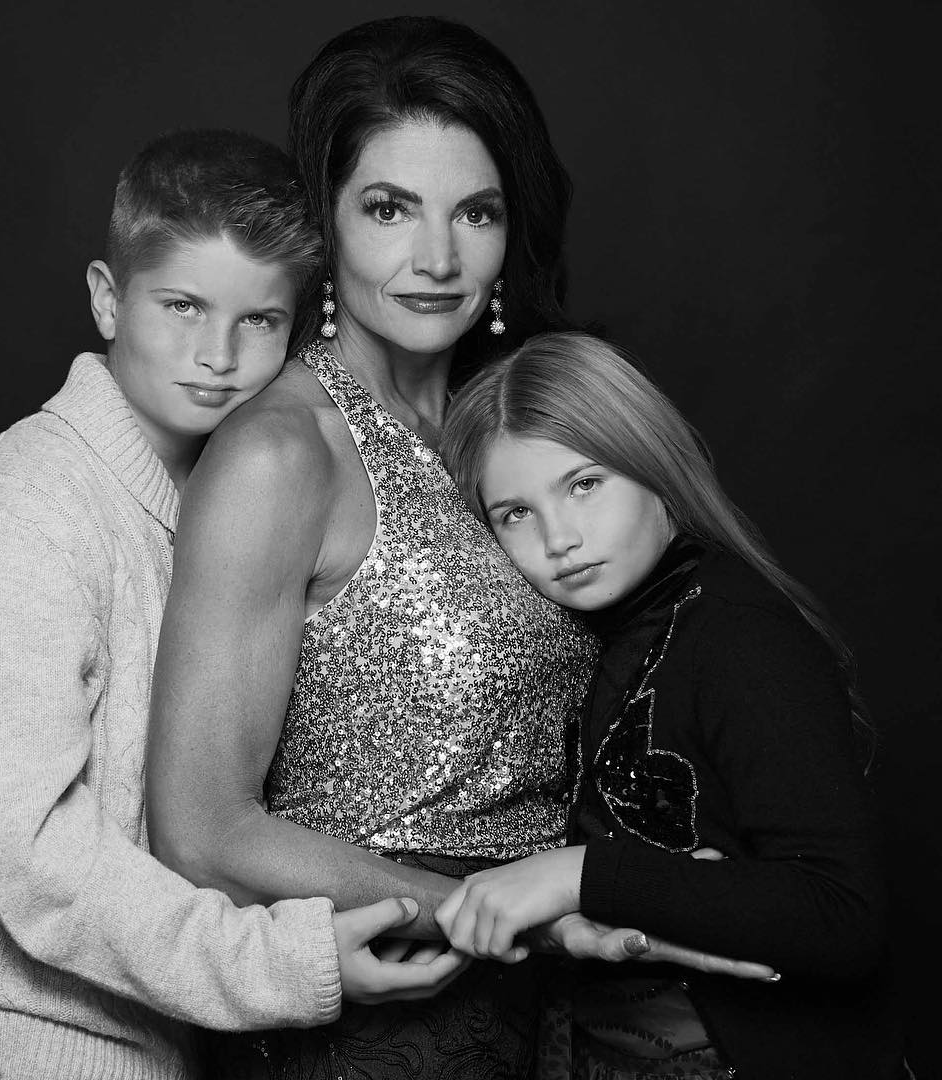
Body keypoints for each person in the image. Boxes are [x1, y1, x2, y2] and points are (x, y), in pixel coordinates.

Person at [146, 21, 774, 1080]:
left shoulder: (516, 426)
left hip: (556, 997)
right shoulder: (281, 453)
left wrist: (663, 865)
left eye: (475, 213)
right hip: (388, 1006)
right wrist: (500, 913)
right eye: (389, 209)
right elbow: (203, 826)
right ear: (327, 223)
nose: (437, 260)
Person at [0, 128, 468, 1080]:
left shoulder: (219, 503)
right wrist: (284, 960)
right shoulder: (29, 504)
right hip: (13, 1036)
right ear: (108, 299)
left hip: (151, 1034)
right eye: (182, 306)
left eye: (258, 321)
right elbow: (24, 851)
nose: (216, 355)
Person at [436, 331, 906, 1079]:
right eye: (515, 513)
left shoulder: (734, 633)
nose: (560, 538)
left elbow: (842, 913)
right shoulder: (595, 638)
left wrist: (577, 874)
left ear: (654, 466)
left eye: (584, 484)